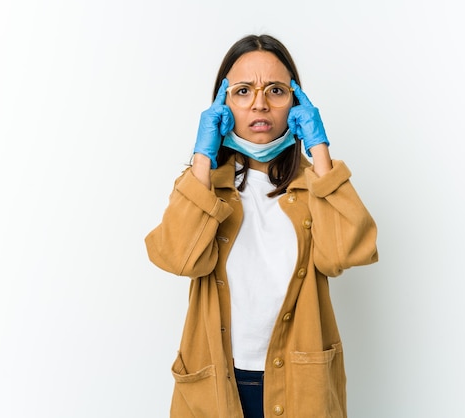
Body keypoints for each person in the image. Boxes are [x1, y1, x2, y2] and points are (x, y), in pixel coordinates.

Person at [145, 34, 378, 418]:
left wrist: (320, 151)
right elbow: (177, 258)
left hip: (302, 382)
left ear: (297, 103)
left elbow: (346, 252)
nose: (260, 103)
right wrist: (202, 156)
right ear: (222, 106)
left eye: (276, 90)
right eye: (242, 91)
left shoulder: (313, 186)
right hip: (217, 382)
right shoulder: (205, 189)